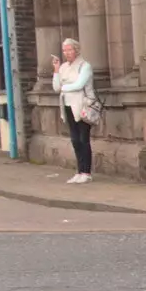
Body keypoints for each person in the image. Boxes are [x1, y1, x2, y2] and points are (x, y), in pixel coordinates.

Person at [51, 39, 96, 183]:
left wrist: (65, 87)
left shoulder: (85, 66)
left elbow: (79, 84)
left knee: (84, 138)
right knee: (75, 140)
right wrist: (56, 70)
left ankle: (87, 172)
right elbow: (56, 87)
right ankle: (79, 170)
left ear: (76, 50)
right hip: (68, 106)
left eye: (69, 50)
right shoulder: (64, 67)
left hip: (82, 105)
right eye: (64, 50)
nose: (67, 53)